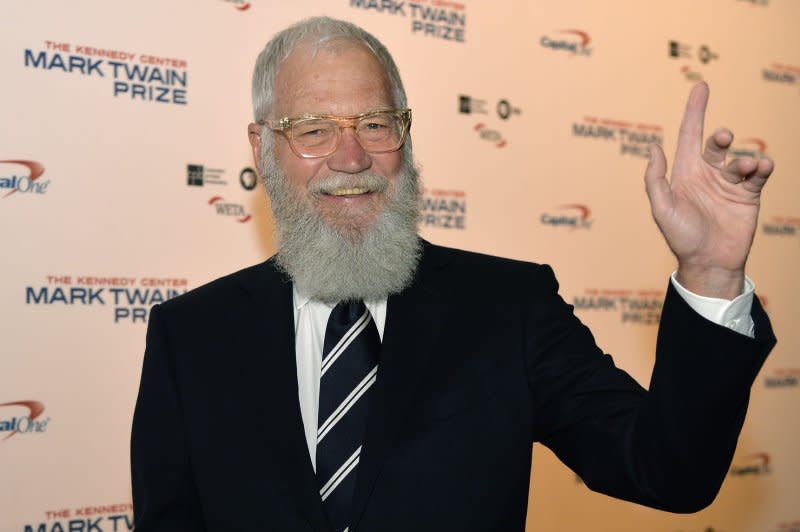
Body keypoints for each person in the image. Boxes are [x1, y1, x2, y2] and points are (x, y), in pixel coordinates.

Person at [130, 16, 776, 532]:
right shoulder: (191, 335)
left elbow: (667, 474)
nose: (351, 156)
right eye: (314, 130)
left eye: (375, 124)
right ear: (261, 147)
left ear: (405, 138)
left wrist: (709, 270)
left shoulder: (509, 307)